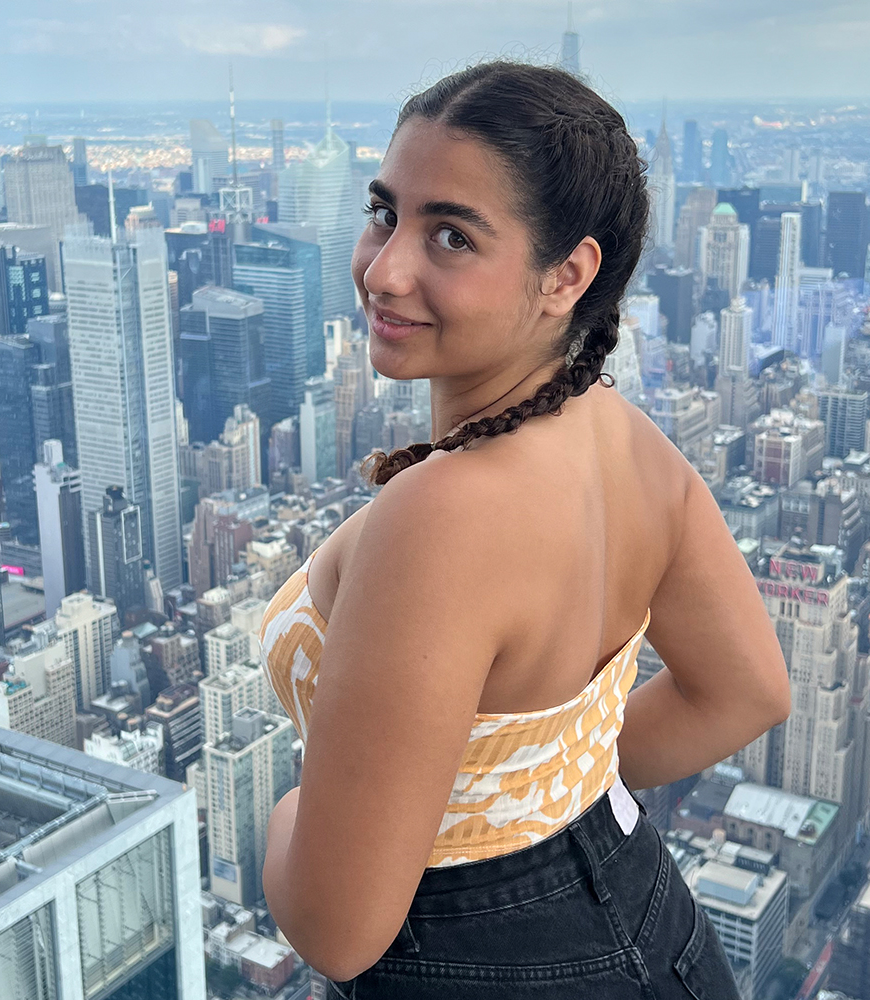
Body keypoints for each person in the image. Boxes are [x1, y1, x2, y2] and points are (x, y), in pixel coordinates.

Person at [259, 60, 790, 999]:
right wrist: (537, 784)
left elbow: (337, 933)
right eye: (385, 212)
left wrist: (295, 814)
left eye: (452, 235)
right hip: (652, 929)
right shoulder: (629, 443)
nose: (385, 270)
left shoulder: (441, 519)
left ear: (567, 274)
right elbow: (746, 692)